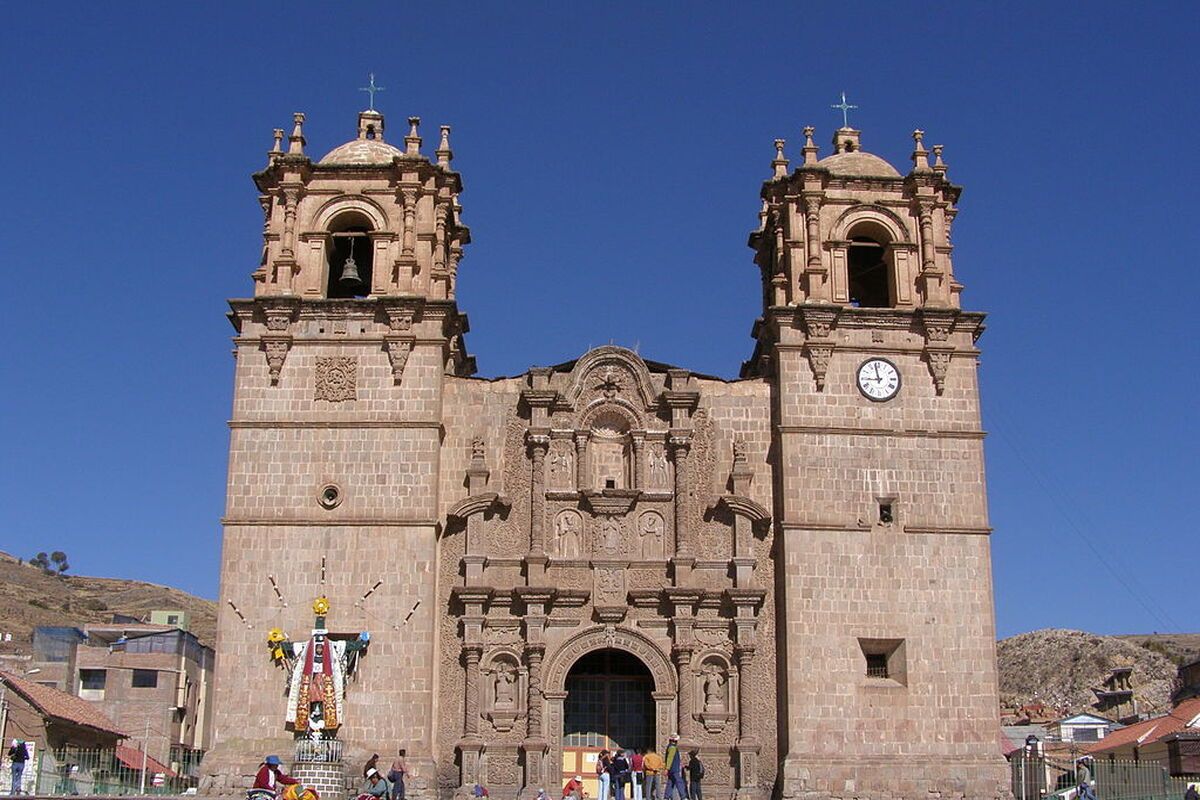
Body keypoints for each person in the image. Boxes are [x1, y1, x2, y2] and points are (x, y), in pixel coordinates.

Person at [662, 735, 686, 800]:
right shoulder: (672, 747)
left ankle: (666, 796)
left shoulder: (670, 747)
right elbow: (670, 758)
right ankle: (683, 796)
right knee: (679, 781)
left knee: (670, 782)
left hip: (671, 768)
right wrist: (667, 768)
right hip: (674, 768)